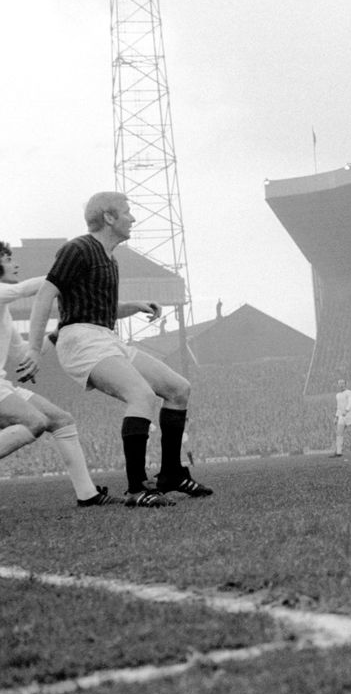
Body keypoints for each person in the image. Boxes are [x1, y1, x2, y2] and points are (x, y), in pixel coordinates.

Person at [18, 191, 211, 506]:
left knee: (178, 388)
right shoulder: (78, 248)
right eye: (127, 211)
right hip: (80, 339)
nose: (132, 217)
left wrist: (132, 306)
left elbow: (100, 309)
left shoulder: (110, 259)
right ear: (108, 217)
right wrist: (33, 349)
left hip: (104, 336)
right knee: (142, 396)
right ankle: (137, 488)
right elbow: (44, 295)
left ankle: (172, 474)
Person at [0, 241, 120, 507]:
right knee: (35, 423)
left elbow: (22, 354)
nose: (15, 263)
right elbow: (23, 290)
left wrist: (58, 332)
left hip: (2, 384)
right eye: (8, 259)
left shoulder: (4, 312)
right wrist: (67, 276)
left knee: (61, 420)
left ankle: (88, 495)